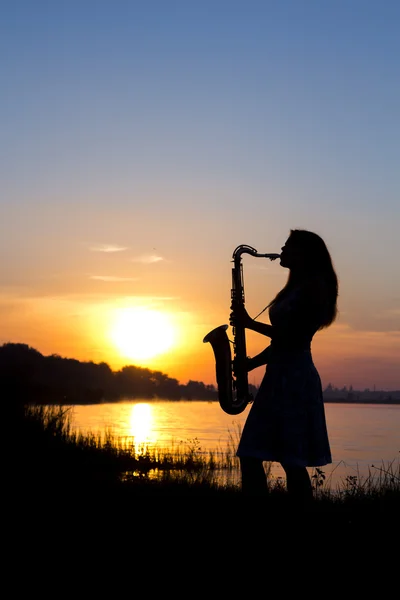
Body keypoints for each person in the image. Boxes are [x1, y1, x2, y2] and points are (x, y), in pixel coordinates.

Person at [231, 229, 339, 505]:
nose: (281, 249)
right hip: (280, 375)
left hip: (295, 379)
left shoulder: (314, 288)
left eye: (289, 246)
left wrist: (248, 323)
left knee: (291, 459)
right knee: (254, 453)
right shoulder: (296, 287)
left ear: (305, 253)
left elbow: (292, 337)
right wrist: (251, 364)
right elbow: (285, 341)